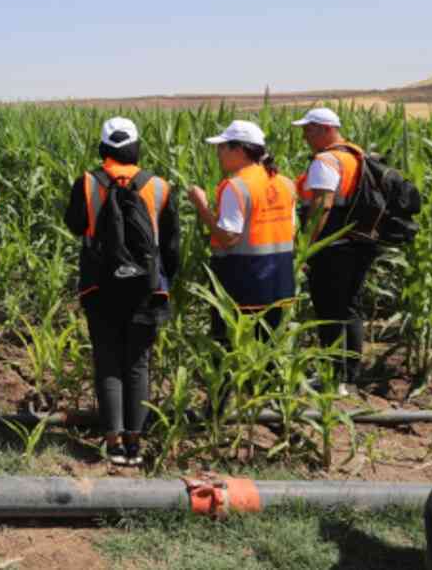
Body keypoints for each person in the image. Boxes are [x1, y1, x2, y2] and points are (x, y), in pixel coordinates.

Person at [64, 118, 180, 466]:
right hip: (146, 288)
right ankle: (135, 443)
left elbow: (74, 226)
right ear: (136, 146)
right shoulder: (159, 186)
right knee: (137, 364)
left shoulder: (87, 182)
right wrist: (163, 282)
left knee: (108, 361)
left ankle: (112, 441)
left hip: (101, 287)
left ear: (103, 147)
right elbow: (172, 245)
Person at [292, 107, 377, 394]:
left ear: (327, 128)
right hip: (359, 242)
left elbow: (322, 205)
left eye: (309, 129)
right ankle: (349, 376)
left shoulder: (326, 160)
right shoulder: (356, 155)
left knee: (328, 309)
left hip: (332, 245)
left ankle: (333, 376)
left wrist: (307, 246)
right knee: (349, 307)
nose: (304, 135)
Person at [187, 120, 296, 335]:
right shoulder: (285, 183)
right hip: (280, 284)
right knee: (269, 352)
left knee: (233, 349)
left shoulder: (236, 186)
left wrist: (201, 206)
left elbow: (228, 238)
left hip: (243, 284)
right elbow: (290, 230)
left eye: (222, 147)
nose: (218, 153)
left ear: (239, 150)